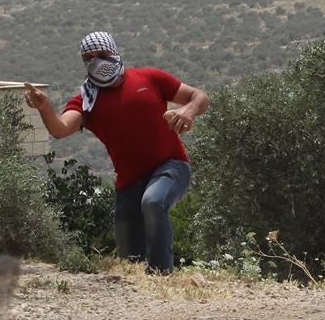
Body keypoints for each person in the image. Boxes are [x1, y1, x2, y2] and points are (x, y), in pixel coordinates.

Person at [24, 32, 209, 274]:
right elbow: (60, 129)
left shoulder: (150, 78)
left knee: (153, 202)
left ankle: (163, 276)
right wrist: (45, 107)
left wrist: (189, 110)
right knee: (128, 263)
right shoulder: (87, 101)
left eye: (103, 55)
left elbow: (200, 97)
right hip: (129, 183)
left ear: (115, 52)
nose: (97, 62)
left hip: (171, 166)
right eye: (89, 58)